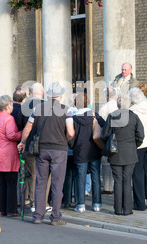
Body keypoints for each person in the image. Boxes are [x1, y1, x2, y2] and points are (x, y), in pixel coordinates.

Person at [18, 82, 75, 225]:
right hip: (59, 150)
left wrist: (23, 142)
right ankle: (55, 217)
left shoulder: (38, 108)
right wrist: (64, 140)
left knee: (40, 183)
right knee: (57, 184)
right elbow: (71, 132)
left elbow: (28, 127)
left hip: (41, 150)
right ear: (61, 96)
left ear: (48, 95)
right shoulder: (66, 110)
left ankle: (38, 216)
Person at [101, 94, 144, 216]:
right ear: (129, 104)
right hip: (130, 152)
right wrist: (134, 145)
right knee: (127, 180)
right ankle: (127, 209)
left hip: (115, 152)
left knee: (118, 181)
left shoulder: (112, 116)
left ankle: (118, 209)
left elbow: (104, 134)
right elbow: (141, 135)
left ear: (118, 104)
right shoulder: (134, 117)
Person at [0, 95, 23, 217]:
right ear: (8, 106)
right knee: (11, 182)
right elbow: (11, 135)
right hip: (7, 154)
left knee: (0, 182)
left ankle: (1, 209)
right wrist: (22, 133)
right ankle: (11, 210)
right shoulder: (9, 119)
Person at [69, 92, 105, 213]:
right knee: (95, 177)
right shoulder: (95, 115)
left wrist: (73, 146)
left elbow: (70, 136)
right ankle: (97, 204)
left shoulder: (73, 118)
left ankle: (80, 205)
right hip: (95, 150)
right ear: (86, 102)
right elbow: (105, 128)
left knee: (80, 177)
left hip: (80, 151)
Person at [20, 82, 51, 212]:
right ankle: (43, 202)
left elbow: (21, 126)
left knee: (31, 174)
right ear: (43, 93)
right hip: (43, 145)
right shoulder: (48, 107)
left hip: (28, 145)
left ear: (31, 93)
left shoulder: (24, 106)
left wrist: (22, 142)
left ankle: (31, 201)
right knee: (44, 175)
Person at [98, 86, 118, 194]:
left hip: (108, 136)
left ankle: (107, 186)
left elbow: (101, 124)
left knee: (106, 162)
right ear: (116, 96)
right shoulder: (119, 106)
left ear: (106, 97)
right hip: (120, 136)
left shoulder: (104, 108)